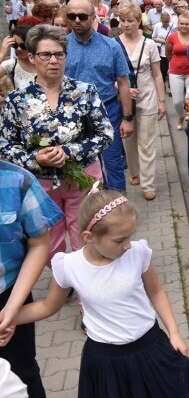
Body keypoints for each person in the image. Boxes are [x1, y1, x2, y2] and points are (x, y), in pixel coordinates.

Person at [6, 189, 189, 398]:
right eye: (120, 240)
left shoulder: (137, 252)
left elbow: (156, 291)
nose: (127, 244)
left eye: (130, 236)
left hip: (150, 348)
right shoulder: (69, 266)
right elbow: (47, 306)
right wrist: (8, 317)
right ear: (89, 238)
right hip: (105, 361)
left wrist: (174, 332)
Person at [0, 23, 113, 264]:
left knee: (88, 242)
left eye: (59, 54)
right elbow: (6, 144)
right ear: (31, 57)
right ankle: (64, 284)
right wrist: (34, 159)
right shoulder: (18, 99)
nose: (53, 60)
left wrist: (68, 151)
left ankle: (89, 296)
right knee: (50, 247)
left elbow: (105, 134)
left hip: (82, 179)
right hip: (40, 185)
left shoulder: (85, 92)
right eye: (45, 54)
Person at [0, 160, 62, 398]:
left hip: (9, 299)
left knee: (23, 380)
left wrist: (13, 309)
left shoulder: (17, 180)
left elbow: (39, 243)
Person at [64, 0, 134, 192]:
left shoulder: (111, 46)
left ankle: (118, 208)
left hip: (107, 109)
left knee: (113, 162)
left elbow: (123, 82)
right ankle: (89, 209)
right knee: (79, 165)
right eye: (72, 16)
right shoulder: (60, 47)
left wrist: (127, 118)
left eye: (82, 16)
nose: (77, 20)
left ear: (94, 17)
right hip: (73, 113)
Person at [115, 4, 165, 201]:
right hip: (124, 99)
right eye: (123, 20)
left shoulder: (149, 44)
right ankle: (134, 171)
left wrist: (162, 101)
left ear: (139, 22)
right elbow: (110, 74)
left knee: (146, 142)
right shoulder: (114, 44)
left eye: (130, 21)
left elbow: (157, 74)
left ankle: (148, 183)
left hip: (147, 97)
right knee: (129, 140)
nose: (126, 24)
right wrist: (120, 88)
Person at [165, 11, 189, 130]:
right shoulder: (172, 37)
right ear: (178, 24)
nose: (184, 26)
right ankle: (181, 116)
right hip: (176, 72)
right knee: (177, 101)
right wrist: (171, 64)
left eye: (186, 24)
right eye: (181, 23)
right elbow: (167, 53)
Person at [0, 24, 38, 91]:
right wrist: (2, 54)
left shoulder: (44, 62)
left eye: (23, 46)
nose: (19, 49)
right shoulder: (11, 64)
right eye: (15, 45)